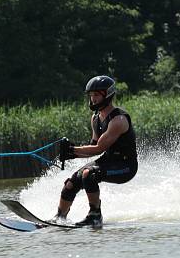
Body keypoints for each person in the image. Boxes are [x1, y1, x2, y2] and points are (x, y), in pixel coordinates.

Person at [55, 75, 138, 228]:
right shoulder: (96, 118)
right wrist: (71, 153)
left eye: (96, 95)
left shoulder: (118, 120)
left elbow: (100, 147)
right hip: (108, 160)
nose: (92, 99)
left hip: (126, 166)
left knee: (89, 174)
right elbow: (93, 148)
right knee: (72, 183)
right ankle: (59, 218)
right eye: (91, 95)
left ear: (107, 95)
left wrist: (72, 150)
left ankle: (95, 216)